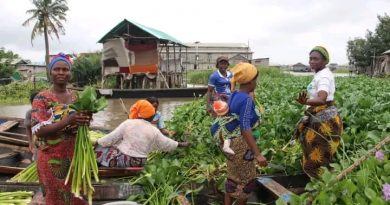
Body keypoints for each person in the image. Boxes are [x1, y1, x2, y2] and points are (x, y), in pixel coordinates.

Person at [31, 53, 92, 205]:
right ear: (50, 72)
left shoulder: (77, 97)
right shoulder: (42, 98)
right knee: (54, 198)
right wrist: (69, 120)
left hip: (76, 156)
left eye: (65, 70)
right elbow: (39, 130)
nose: (61, 73)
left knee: (77, 196)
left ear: (70, 73)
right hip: (51, 159)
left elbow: (84, 123)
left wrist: (85, 119)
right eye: (56, 69)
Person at [210, 63, 268, 205]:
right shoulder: (246, 100)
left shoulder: (234, 94)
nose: (256, 83)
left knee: (233, 178)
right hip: (241, 145)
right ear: (250, 81)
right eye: (255, 80)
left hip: (230, 142)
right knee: (246, 183)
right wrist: (258, 154)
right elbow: (245, 127)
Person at [294, 46, 343, 178]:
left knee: (319, 155)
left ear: (325, 61)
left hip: (323, 122)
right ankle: (317, 184)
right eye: (310, 58)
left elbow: (322, 98)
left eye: (316, 59)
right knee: (315, 153)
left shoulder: (324, 77)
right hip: (320, 118)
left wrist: (306, 102)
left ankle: (322, 186)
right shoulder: (320, 74)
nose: (312, 61)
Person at [95, 100, 190, 168]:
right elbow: (167, 143)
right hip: (140, 162)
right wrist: (182, 144)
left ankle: (101, 165)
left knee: (101, 148)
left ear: (139, 113)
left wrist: (97, 142)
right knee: (114, 146)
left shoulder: (128, 123)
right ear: (152, 116)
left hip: (126, 160)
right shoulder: (154, 130)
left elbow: (110, 139)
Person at [25, 91, 39, 161]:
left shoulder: (48, 111)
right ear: (31, 102)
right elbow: (28, 128)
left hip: (47, 138)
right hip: (36, 139)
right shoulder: (29, 113)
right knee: (36, 157)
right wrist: (30, 142)